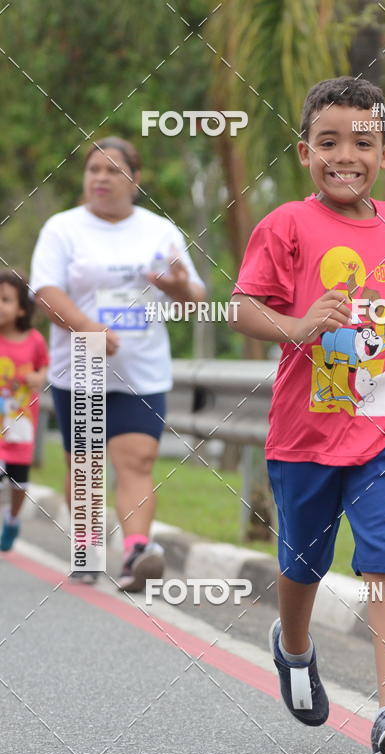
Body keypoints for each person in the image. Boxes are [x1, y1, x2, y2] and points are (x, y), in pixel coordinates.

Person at [229, 77, 385, 754]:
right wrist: (298, 325)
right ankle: (292, 648)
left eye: (363, 143)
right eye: (329, 142)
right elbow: (242, 308)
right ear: (304, 151)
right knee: (303, 563)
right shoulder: (286, 223)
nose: (346, 156)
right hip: (305, 435)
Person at [30, 136, 206, 590]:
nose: (102, 178)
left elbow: (195, 297)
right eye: (94, 169)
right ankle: (87, 546)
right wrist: (87, 327)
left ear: (135, 179)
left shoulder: (159, 230)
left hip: (141, 370)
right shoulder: (62, 229)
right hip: (80, 368)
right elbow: (46, 292)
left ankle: (135, 552)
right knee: (85, 464)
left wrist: (179, 288)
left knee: (138, 460)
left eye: (114, 170)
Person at [0, 271, 48, 551]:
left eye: (5, 299)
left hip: (21, 423)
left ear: (21, 309)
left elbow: (44, 367)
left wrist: (38, 378)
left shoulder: (34, 340)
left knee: (19, 482)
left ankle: (13, 519)